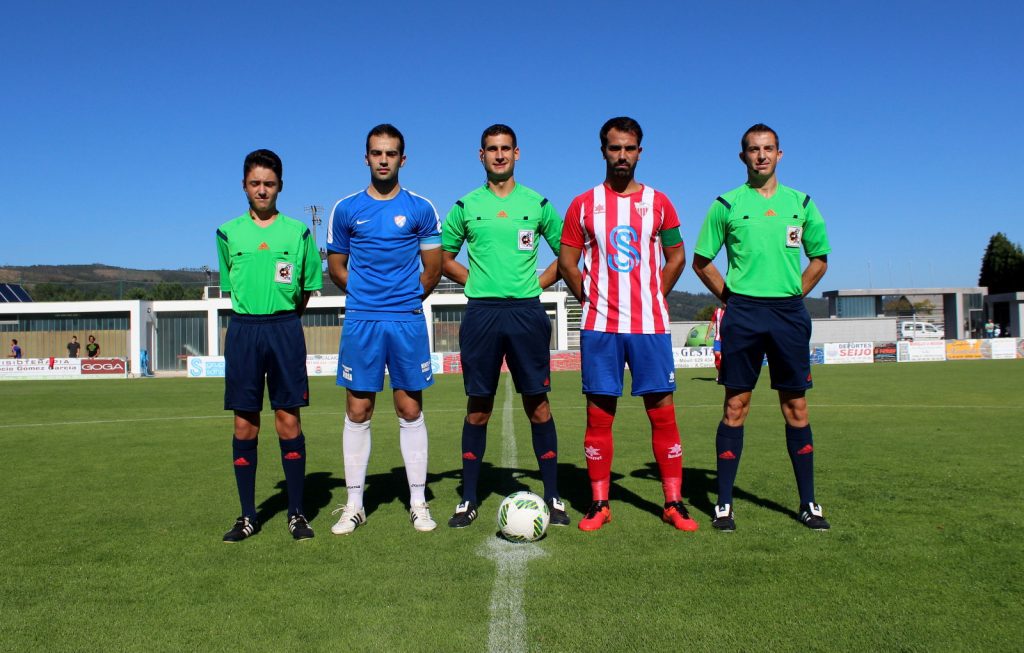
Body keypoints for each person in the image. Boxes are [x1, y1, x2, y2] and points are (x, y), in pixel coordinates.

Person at [558, 116, 697, 532]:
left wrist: (655, 292)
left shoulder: (659, 202)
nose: (622, 156)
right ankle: (599, 502)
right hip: (600, 326)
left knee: (663, 413)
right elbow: (568, 262)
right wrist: (593, 298)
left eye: (629, 148)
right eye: (615, 148)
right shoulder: (583, 204)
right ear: (603, 150)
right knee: (599, 415)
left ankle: (673, 502)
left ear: (640, 151)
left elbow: (677, 256)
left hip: (649, 325)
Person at [692, 123, 832, 531]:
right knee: (736, 406)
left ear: (780, 154)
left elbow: (819, 258)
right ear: (743, 157)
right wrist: (731, 298)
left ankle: (808, 504)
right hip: (744, 313)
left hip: (788, 313)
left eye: (768, 149)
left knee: (797, 407)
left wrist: (793, 292)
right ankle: (723, 505)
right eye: (753, 150)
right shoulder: (726, 204)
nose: (761, 156)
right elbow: (702, 260)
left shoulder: (802, 203)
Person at [441, 124, 569, 528]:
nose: (499, 155)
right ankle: (468, 498)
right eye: (491, 149)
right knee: (479, 407)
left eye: (505, 149)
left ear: (517, 153)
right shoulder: (465, 205)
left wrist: (537, 284)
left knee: (538, 404)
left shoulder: (538, 204)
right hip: (481, 314)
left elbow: (567, 253)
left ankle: (552, 496)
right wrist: (477, 283)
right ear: (481, 155)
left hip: (527, 313)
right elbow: (443, 258)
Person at [325, 124, 443, 535]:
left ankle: (417, 501)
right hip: (362, 320)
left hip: (406, 320)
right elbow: (336, 267)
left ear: (402, 160)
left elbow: (433, 268)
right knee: (358, 409)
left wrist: (408, 299)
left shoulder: (421, 208)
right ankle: (354, 504)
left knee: (410, 408)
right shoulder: (345, 209)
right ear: (366, 158)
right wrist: (365, 295)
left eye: (391, 153)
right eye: (377, 153)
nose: (383, 159)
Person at [216, 148, 323, 542]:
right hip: (244, 330)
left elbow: (306, 290)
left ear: (280, 186)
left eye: (270, 183)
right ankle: (247, 515)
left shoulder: (298, 233)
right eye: (256, 183)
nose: (263, 190)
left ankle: (296, 513)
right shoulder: (227, 233)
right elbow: (231, 288)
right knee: (245, 425)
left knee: (287, 420)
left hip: (284, 328)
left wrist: (283, 317)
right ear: (244, 186)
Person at [710, 304, 726, 375]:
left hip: (728, 339)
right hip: (718, 338)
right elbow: (712, 322)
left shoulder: (732, 311)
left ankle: (726, 374)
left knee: (727, 357)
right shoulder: (717, 311)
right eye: (723, 301)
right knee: (717, 354)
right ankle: (719, 372)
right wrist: (707, 334)